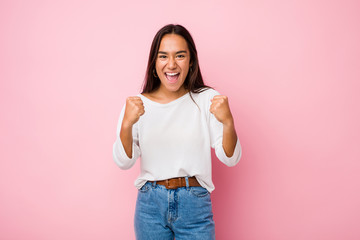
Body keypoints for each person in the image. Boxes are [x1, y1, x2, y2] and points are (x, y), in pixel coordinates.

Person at [113, 24, 242, 240]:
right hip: (149, 206)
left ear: (191, 61)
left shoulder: (207, 99)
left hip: (194, 203)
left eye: (180, 56)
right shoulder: (137, 105)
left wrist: (228, 122)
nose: (171, 64)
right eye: (163, 56)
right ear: (154, 63)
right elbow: (123, 162)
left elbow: (231, 158)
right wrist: (127, 125)